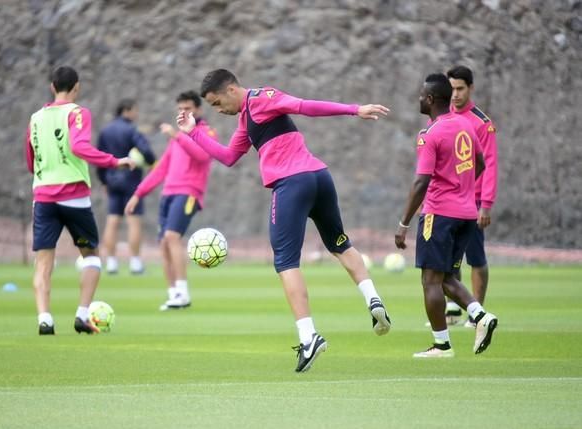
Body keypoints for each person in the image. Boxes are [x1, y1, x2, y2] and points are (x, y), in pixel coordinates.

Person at [176, 69, 392, 373]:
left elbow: (305, 106)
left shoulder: (263, 98)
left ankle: (309, 338)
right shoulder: (246, 121)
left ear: (230, 90)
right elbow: (227, 157)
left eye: (216, 103)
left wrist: (354, 109)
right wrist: (194, 130)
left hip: (292, 184)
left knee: (286, 262)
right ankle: (374, 301)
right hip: (320, 177)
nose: (218, 111)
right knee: (340, 244)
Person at [394, 73, 498, 357]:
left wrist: (403, 223)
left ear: (429, 99)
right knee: (448, 277)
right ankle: (480, 316)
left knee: (430, 280)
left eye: (421, 95)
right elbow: (479, 162)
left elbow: (421, 182)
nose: (418, 98)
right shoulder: (465, 124)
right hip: (466, 214)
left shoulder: (430, 134)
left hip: (438, 214)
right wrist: (462, 189)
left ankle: (441, 344)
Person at [26, 66, 135, 335]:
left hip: (43, 196)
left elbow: (31, 160)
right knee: (91, 256)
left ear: (52, 86)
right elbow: (78, 146)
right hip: (73, 196)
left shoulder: (36, 117)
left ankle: (45, 319)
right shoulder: (77, 112)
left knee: (43, 262)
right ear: (77, 87)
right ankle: (82, 315)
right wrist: (114, 161)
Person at [125, 91, 214, 311]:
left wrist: (177, 135)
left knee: (172, 237)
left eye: (188, 108)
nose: (183, 113)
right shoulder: (177, 139)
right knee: (164, 243)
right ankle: (173, 293)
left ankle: (183, 292)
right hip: (169, 194)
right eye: (180, 109)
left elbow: (202, 155)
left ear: (198, 110)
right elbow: (162, 168)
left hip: (188, 193)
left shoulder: (205, 132)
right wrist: (138, 193)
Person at [444, 65, 498, 327]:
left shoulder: (482, 123)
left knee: (475, 257)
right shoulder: (442, 117)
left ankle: (477, 314)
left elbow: (489, 164)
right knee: (447, 255)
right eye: (451, 89)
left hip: (473, 200)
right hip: (448, 197)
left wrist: (485, 205)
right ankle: (453, 308)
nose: (454, 94)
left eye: (459, 89)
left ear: (470, 88)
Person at [97, 99, 156, 275]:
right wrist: (151, 162)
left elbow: (99, 158)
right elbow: (145, 150)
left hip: (112, 180)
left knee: (112, 221)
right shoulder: (132, 129)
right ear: (127, 110)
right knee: (133, 221)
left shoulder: (105, 131)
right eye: (135, 110)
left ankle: (112, 262)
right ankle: (135, 262)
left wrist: (104, 181)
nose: (136, 114)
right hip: (131, 180)